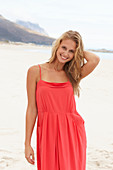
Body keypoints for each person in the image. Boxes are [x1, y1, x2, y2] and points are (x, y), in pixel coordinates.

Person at [24, 30, 100, 170]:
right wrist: (27, 143)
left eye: (71, 51)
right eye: (64, 47)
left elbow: (95, 59)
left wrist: (79, 51)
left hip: (71, 131)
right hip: (47, 130)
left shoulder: (72, 74)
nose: (66, 54)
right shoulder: (35, 71)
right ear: (57, 46)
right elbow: (32, 108)